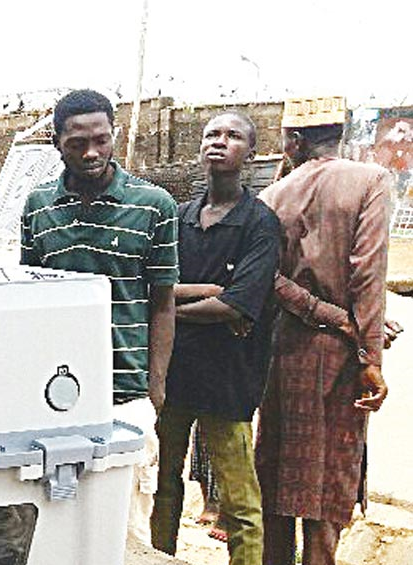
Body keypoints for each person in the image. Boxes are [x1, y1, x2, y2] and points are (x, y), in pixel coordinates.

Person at [18, 89, 178, 545]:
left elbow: (163, 302)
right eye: (77, 143)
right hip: (55, 394)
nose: (91, 152)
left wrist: (156, 386)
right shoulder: (37, 206)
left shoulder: (154, 206)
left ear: (114, 136)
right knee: (57, 522)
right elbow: (31, 299)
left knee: (126, 529)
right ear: (56, 142)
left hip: (127, 392)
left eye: (101, 140)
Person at [256, 99, 392, 565]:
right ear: (341, 131)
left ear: (293, 140)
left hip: (286, 351)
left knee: (279, 478)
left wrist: (320, 311)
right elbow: (367, 277)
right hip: (344, 355)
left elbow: (267, 279)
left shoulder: (272, 196)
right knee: (331, 478)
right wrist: (369, 356)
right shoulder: (371, 180)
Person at [151, 112, 280, 565]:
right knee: (163, 486)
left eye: (234, 136)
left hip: (229, 376)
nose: (220, 143)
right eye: (212, 134)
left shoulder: (259, 224)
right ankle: (159, 556)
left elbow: (238, 305)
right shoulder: (180, 218)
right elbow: (156, 288)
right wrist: (205, 297)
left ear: (250, 152)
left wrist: (169, 313)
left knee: (239, 498)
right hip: (174, 373)